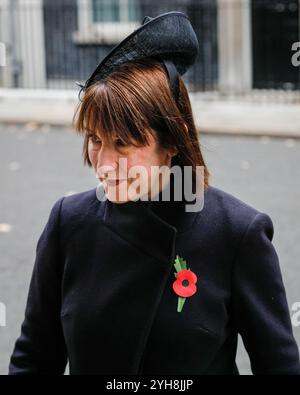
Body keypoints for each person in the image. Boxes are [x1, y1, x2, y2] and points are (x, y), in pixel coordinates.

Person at [8, 11, 300, 375]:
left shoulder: (237, 233)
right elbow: (34, 359)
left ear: (172, 142)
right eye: (96, 140)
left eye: (123, 143)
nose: (104, 163)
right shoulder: (68, 223)